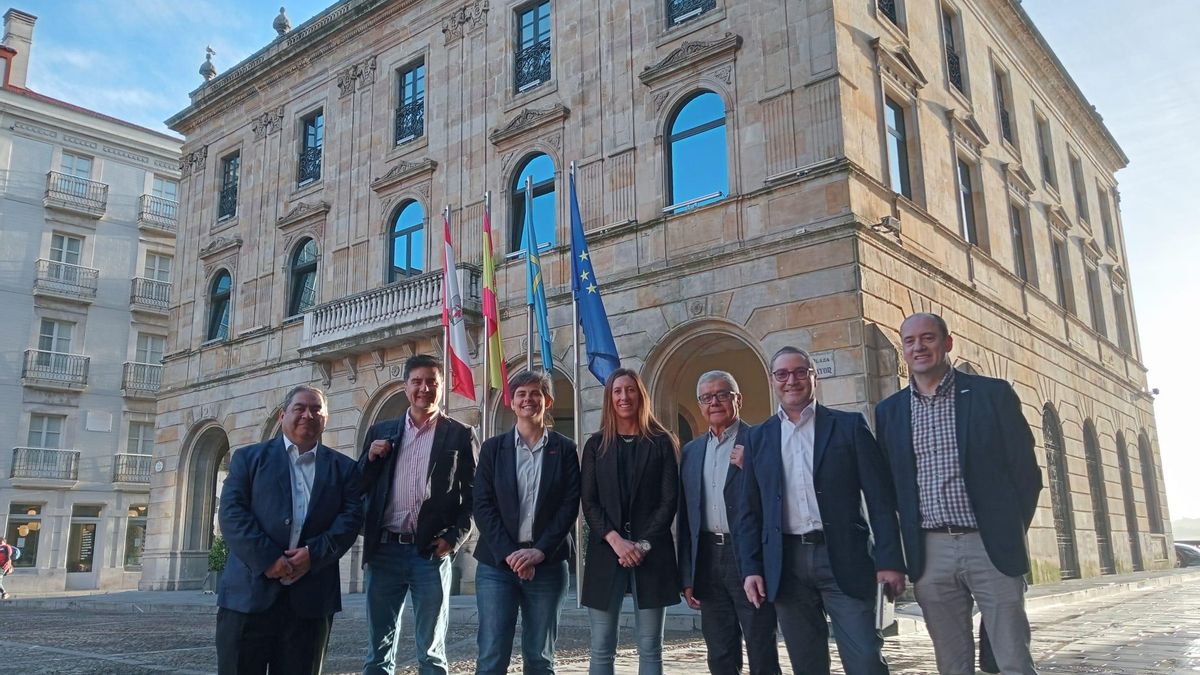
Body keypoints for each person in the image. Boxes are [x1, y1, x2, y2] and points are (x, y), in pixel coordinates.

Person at [874, 313, 1042, 675]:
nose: (918, 347)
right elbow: (886, 492)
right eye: (910, 341)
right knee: (952, 664)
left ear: (947, 343)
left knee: (1013, 659)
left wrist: (1007, 530)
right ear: (903, 349)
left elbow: (1026, 475)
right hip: (930, 552)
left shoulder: (992, 395)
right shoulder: (889, 412)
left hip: (989, 545)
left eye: (928, 338)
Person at [738, 346, 906, 675]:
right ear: (773, 381)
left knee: (865, 661)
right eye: (782, 374)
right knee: (807, 665)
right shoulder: (758, 437)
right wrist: (751, 568)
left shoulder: (848, 426)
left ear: (814, 377)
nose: (792, 380)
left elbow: (880, 499)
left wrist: (889, 560)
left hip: (843, 556)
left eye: (800, 372)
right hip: (786, 565)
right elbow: (748, 511)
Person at [215, 385, 364, 675]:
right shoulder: (248, 459)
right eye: (300, 408)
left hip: (311, 600)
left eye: (316, 409)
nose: (308, 415)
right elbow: (232, 514)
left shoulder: (344, 469)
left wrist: (313, 555)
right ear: (283, 414)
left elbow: (350, 521)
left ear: (326, 419)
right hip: (248, 596)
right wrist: (268, 559)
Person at [359, 353, 477, 675]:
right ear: (405, 386)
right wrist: (369, 459)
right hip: (384, 551)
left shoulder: (459, 434)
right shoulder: (382, 431)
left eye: (431, 382)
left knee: (431, 651)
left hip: (430, 554)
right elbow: (358, 486)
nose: (424, 388)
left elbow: (474, 496)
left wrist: (453, 539)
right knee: (378, 651)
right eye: (417, 381)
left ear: (440, 386)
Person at [472, 369, 580, 675]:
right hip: (496, 567)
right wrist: (510, 553)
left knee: (540, 658)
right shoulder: (493, 450)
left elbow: (569, 505)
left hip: (548, 565)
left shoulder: (566, 449)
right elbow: (482, 505)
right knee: (492, 656)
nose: (528, 399)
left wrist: (540, 551)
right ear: (512, 402)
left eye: (535, 393)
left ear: (546, 401)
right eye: (521, 394)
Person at [677, 370, 781, 675]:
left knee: (760, 645)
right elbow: (687, 518)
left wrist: (754, 466)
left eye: (722, 394)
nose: (715, 402)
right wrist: (687, 574)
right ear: (699, 405)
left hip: (747, 556)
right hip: (709, 558)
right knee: (720, 651)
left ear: (738, 399)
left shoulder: (760, 440)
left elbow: (778, 496)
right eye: (707, 397)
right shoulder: (691, 451)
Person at [580, 368, 680, 675]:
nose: (624, 397)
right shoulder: (596, 445)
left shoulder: (662, 442)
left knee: (651, 647)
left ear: (641, 395)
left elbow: (668, 501)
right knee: (601, 647)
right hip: (606, 552)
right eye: (617, 391)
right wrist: (616, 540)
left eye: (630, 390)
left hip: (652, 554)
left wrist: (642, 544)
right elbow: (590, 501)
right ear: (610, 399)